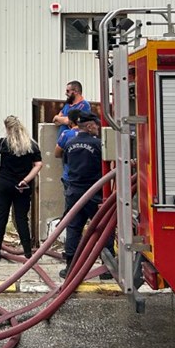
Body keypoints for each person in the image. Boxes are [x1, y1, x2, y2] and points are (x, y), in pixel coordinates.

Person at [54, 112, 112, 279]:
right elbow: (106, 167)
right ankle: (107, 269)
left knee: (74, 228)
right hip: (94, 192)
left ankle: (70, 267)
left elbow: (66, 163)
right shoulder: (98, 144)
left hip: (74, 192)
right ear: (89, 126)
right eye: (96, 125)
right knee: (103, 228)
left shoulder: (70, 143)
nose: (98, 128)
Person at [0, 115, 42, 262]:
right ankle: (28, 253)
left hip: (4, 184)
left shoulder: (4, 143)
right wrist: (26, 180)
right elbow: (38, 165)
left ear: (7, 128)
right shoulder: (31, 145)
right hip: (22, 187)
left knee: (1, 217)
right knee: (22, 218)